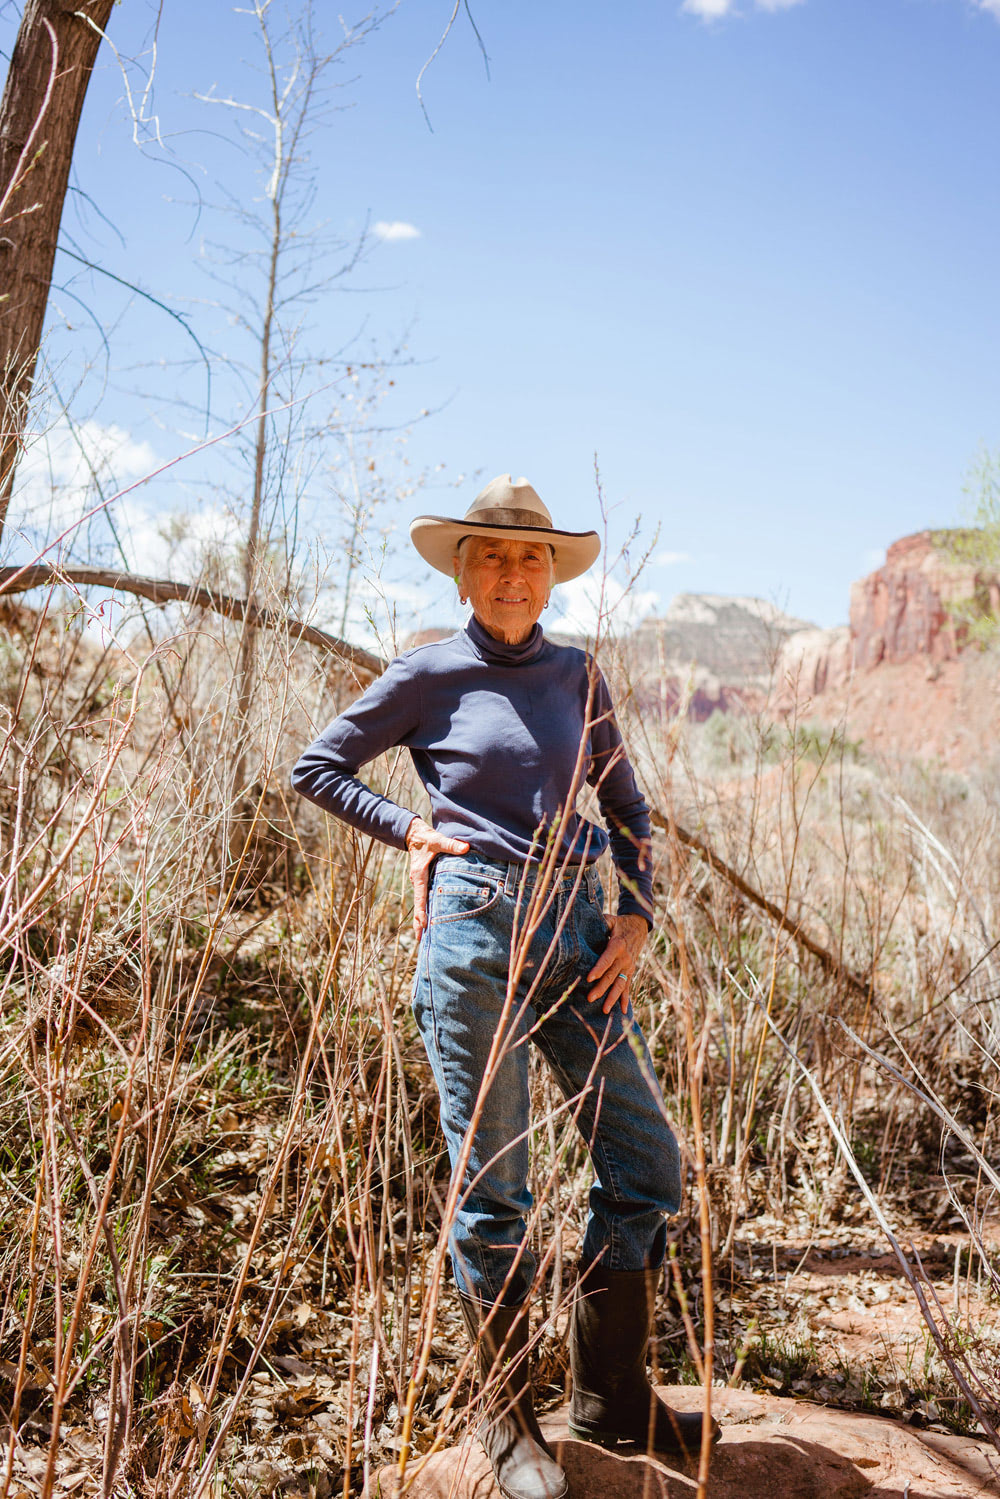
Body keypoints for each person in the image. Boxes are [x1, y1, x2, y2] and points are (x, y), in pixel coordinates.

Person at [291, 475, 717, 1499]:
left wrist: (638, 910)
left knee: (645, 1158)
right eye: (491, 554)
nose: (511, 572)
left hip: (580, 932)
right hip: (474, 930)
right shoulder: (427, 672)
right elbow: (319, 764)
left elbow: (627, 804)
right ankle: (504, 1419)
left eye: (530, 557)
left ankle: (611, 1392)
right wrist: (409, 829)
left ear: (551, 574)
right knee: (496, 1193)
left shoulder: (578, 675)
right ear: (462, 567)